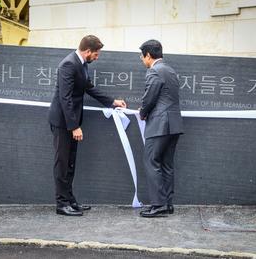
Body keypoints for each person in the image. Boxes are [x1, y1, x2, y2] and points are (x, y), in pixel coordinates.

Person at [48, 35, 126, 216]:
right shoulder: (68, 64)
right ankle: (61, 204)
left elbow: (89, 88)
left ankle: (70, 200)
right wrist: (73, 126)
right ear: (88, 51)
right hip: (63, 123)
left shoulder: (82, 65)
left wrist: (113, 101)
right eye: (96, 54)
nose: (97, 57)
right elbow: (65, 98)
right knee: (62, 163)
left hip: (71, 121)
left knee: (70, 163)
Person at [138, 39, 183, 218]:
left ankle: (158, 205)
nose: (142, 61)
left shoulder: (154, 71)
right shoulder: (171, 70)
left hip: (159, 124)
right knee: (166, 164)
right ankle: (167, 204)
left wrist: (142, 112)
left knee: (152, 162)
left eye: (142, 57)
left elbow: (150, 98)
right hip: (174, 125)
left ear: (148, 55)